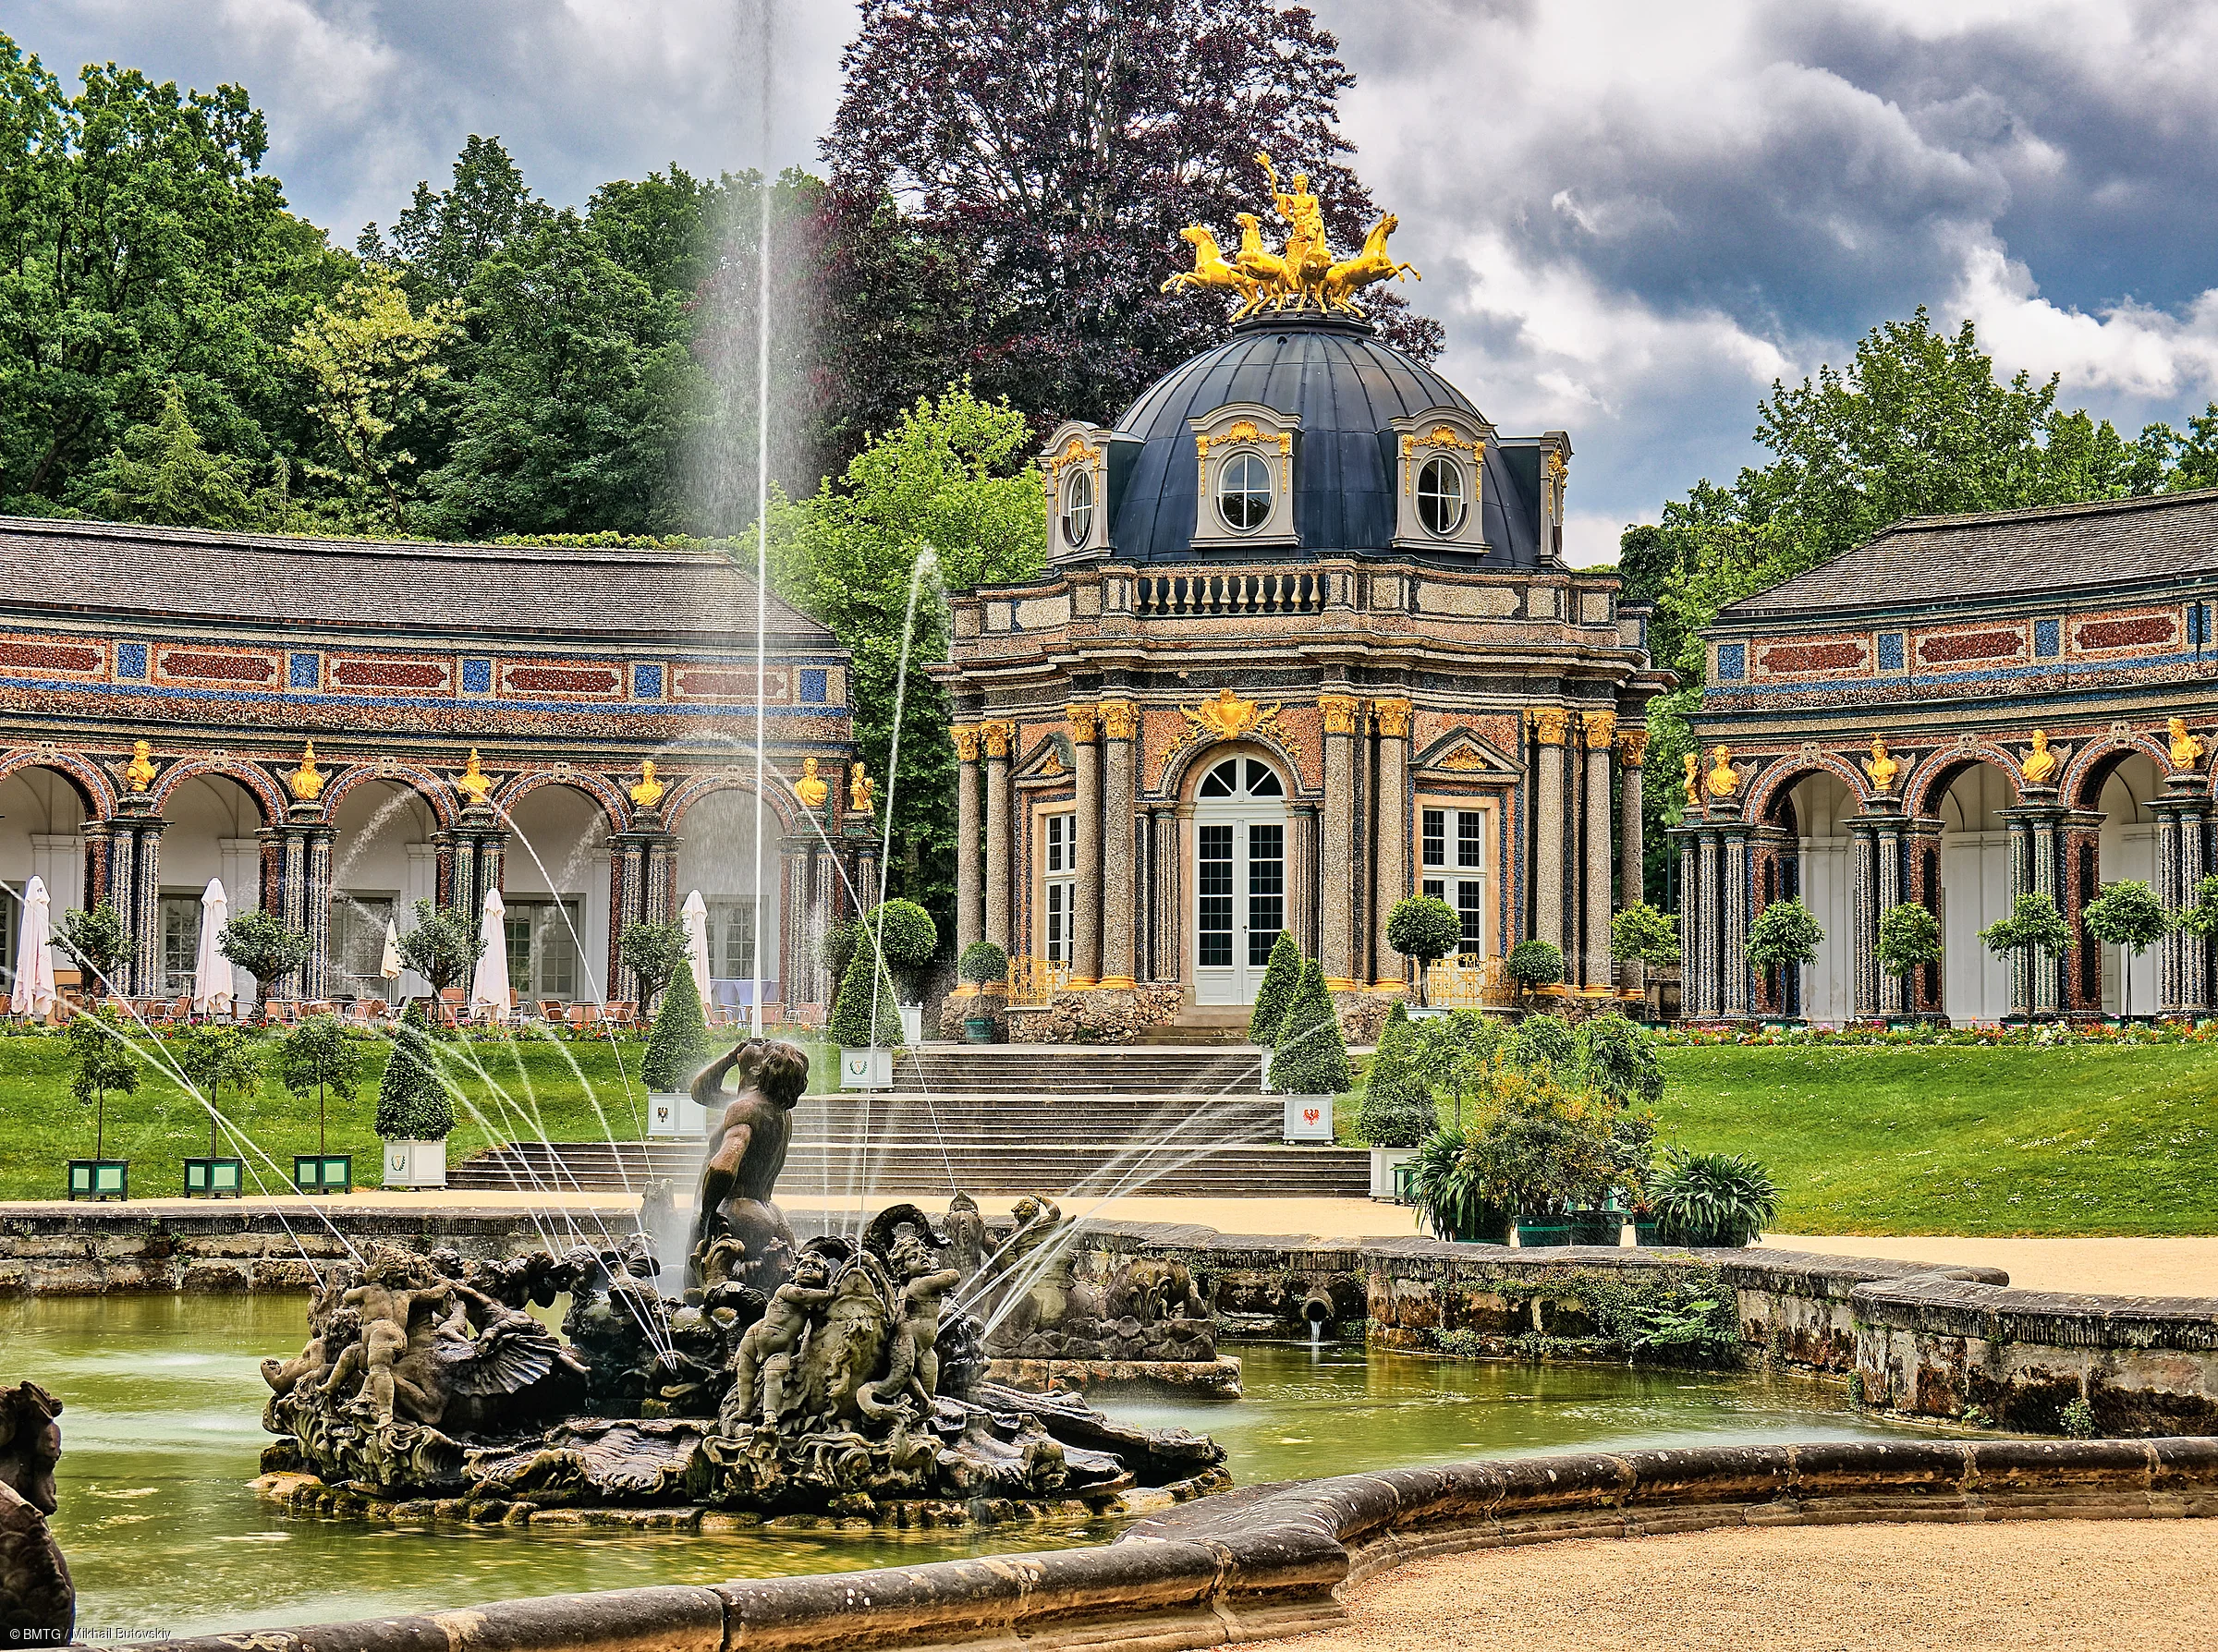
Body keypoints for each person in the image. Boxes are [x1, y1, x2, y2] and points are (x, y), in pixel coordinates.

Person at [688, 1039, 810, 1294]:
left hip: (736, 1213)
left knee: (701, 1290)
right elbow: (700, 1092)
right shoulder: (778, 1112)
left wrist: (707, 1213)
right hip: (771, 1214)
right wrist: (732, 1056)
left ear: (762, 1068)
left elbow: (722, 1167)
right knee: (767, 1298)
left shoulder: (746, 1109)